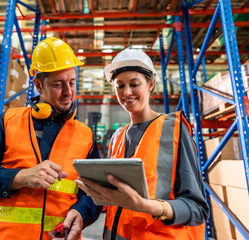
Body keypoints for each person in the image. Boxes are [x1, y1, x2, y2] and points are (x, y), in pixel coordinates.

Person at [0, 37, 102, 240]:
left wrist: (81, 213)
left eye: (72, 82)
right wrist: (19, 177)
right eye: (58, 84)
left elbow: (95, 193)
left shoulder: (86, 136)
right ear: (38, 84)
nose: (68, 92)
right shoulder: (6, 122)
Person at [75, 48, 209, 239]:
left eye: (134, 84)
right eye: (120, 85)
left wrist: (145, 206)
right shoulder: (117, 137)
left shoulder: (174, 130)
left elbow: (197, 209)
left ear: (151, 84)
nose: (127, 92)